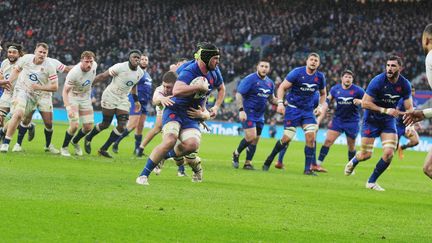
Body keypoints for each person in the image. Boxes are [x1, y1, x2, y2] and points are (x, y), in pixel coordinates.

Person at [136, 42, 222, 185]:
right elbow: (162, 95)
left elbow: (220, 89)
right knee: (169, 140)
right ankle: (143, 175)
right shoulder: (184, 74)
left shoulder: (214, 71)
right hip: (174, 111)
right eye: (215, 58)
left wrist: (209, 112)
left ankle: (168, 158)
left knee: (192, 147)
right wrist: (161, 98)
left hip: (191, 115)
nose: (218, 62)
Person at [344, 55, 413, 191]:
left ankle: (371, 182)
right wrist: (385, 110)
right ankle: (354, 161)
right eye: (388, 65)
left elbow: (410, 108)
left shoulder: (405, 84)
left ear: (400, 68)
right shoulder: (377, 81)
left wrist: (410, 125)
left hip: (388, 121)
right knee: (366, 155)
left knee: (389, 153)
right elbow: (365, 103)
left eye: (393, 66)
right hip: (371, 119)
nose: (389, 68)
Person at [262, 53, 327, 175]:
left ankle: (307, 169)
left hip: (308, 111)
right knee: (286, 138)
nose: (313, 62)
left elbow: (323, 93)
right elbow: (282, 87)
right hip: (293, 109)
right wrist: (280, 103)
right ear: (307, 61)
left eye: (316, 60)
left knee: (311, 138)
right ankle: (270, 159)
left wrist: (320, 106)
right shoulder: (297, 73)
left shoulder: (320, 77)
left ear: (318, 63)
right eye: (311, 60)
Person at [84, 50, 144, 158]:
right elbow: (103, 76)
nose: (136, 59)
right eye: (134, 57)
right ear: (129, 58)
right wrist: (89, 85)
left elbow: (133, 86)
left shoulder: (140, 72)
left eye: (138, 57)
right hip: (110, 95)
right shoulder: (120, 67)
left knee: (122, 126)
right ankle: (88, 138)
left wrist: (136, 100)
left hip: (123, 99)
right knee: (105, 124)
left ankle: (103, 149)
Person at [0, 43, 59, 153]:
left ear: (47, 54)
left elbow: (55, 87)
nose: (42, 54)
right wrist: (8, 81)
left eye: (44, 53)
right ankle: (6, 144)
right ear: (35, 51)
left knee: (24, 119)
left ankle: (4, 131)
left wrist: (39, 87)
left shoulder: (50, 66)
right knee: (18, 113)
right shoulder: (26, 59)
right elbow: (17, 70)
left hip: (36, 96)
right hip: (21, 90)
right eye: (40, 52)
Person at [232, 60, 277, 170]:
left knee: (255, 139)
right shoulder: (250, 79)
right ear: (257, 67)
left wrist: (281, 103)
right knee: (251, 137)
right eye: (262, 66)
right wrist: (241, 110)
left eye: (266, 66)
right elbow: (239, 94)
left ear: (269, 69)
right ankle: (236, 153)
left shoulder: (270, 83)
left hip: (260, 115)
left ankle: (248, 163)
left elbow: (271, 98)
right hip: (248, 113)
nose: (264, 68)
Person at [316, 70, 365, 170]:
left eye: (350, 77)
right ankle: (317, 164)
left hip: (352, 121)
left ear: (352, 79)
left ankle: (350, 167)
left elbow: (368, 101)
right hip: (338, 120)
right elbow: (327, 100)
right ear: (342, 78)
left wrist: (360, 101)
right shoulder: (335, 89)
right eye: (346, 77)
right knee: (328, 141)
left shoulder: (358, 90)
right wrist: (322, 108)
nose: (348, 79)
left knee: (351, 146)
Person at [403, 23, 432, 179]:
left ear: (426, 40)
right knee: (428, 168)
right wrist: (424, 113)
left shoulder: (430, 56)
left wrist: (423, 113)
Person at [112, 54, 152, 154]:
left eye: (145, 60)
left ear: (148, 62)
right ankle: (115, 142)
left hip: (144, 103)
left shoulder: (148, 76)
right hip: (136, 101)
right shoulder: (136, 73)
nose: (143, 61)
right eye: (142, 59)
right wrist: (135, 100)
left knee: (140, 126)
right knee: (133, 124)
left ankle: (137, 150)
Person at [274, 91, 325, 170]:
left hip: (305, 114)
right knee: (289, 137)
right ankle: (312, 164)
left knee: (311, 137)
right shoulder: (311, 90)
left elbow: (316, 106)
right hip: (297, 113)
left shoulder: (316, 93)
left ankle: (313, 164)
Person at [60, 51, 98, 156]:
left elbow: (90, 82)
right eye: (86, 61)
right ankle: (64, 147)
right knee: (75, 125)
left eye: (91, 61)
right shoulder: (74, 73)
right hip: (73, 97)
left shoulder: (94, 66)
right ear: (81, 61)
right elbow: (65, 91)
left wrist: (92, 95)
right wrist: (68, 108)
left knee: (89, 127)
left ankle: (75, 141)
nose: (89, 64)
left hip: (85, 97)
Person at [0, 43, 24, 131]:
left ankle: (28, 125)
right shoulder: (4, 63)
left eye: (14, 52)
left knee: (15, 121)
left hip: (19, 95)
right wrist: (3, 84)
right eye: (9, 52)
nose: (11, 54)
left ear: (19, 54)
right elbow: (1, 77)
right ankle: (2, 140)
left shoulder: (23, 63)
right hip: (7, 93)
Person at [396, 88, 419, 159]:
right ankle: (386, 163)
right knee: (394, 147)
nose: (413, 92)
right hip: (398, 126)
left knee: (415, 141)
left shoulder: (414, 102)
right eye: (411, 91)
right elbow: (396, 112)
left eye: (414, 91)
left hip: (407, 127)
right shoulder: (402, 100)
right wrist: (407, 113)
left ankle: (402, 148)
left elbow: (414, 114)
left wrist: (417, 123)